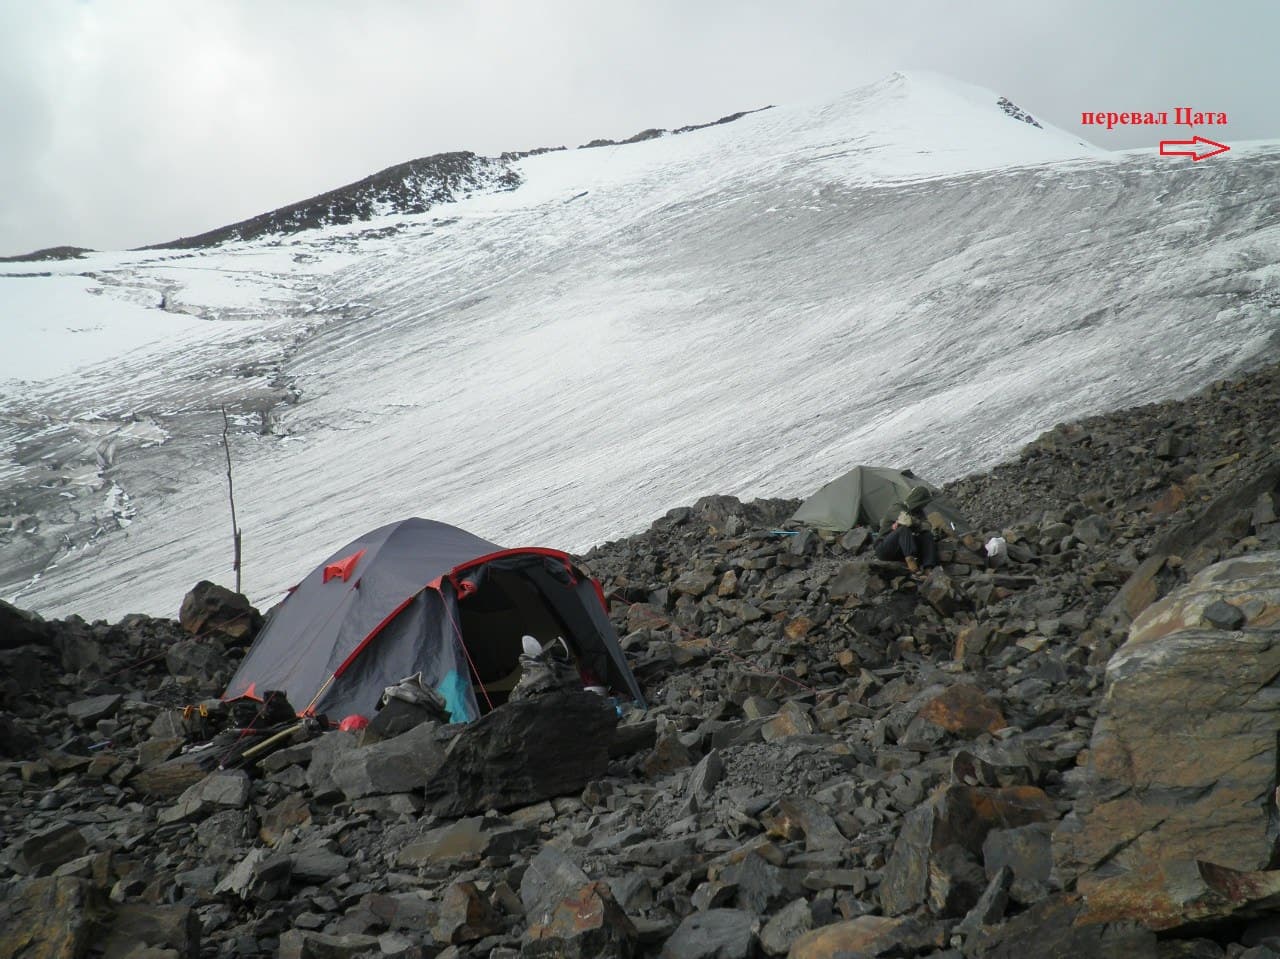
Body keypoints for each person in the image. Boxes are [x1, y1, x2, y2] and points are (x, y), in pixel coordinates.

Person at [874, 486, 938, 573]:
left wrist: (912, 523)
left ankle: (928, 567)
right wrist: (916, 524)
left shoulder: (919, 512)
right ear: (918, 499)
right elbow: (906, 520)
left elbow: (927, 526)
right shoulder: (897, 507)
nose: (924, 505)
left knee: (927, 535)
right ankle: (912, 564)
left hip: (902, 548)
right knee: (903, 529)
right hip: (884, 549)